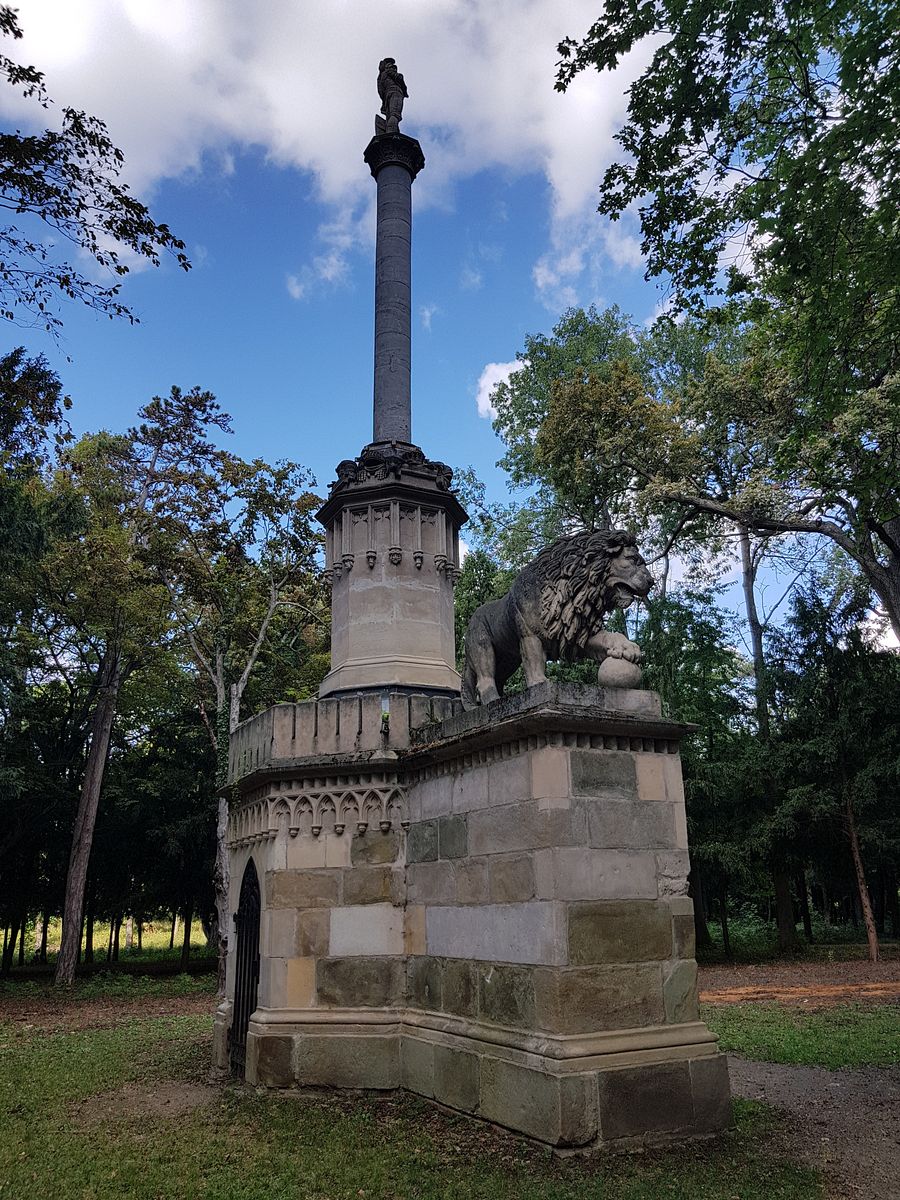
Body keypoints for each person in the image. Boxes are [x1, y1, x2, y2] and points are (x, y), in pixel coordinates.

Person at [377, 58, 408, 134]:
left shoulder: (381, 77)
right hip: (395, 92)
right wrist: (404, 90)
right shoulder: (388, 71)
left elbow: (380, 91)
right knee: (395, 114)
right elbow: (399, 78)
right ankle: (391, 132)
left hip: (387, 96)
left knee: (390, 115)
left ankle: (392, 131)